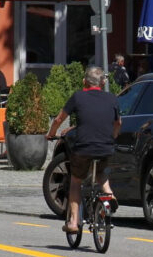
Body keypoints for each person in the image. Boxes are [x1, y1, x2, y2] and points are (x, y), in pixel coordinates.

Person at [46, 65, 121, 234]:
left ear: (84, 82)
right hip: (105, 147)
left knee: (76, 180)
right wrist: (113, 137)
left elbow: (59, 119)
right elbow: (118, 123)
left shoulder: (78, 97)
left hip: (83, 148)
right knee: (102, 173)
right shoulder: (112, 99)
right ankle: (109, 195)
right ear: (102, 82)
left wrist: (51, 134)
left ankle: (73, 222)